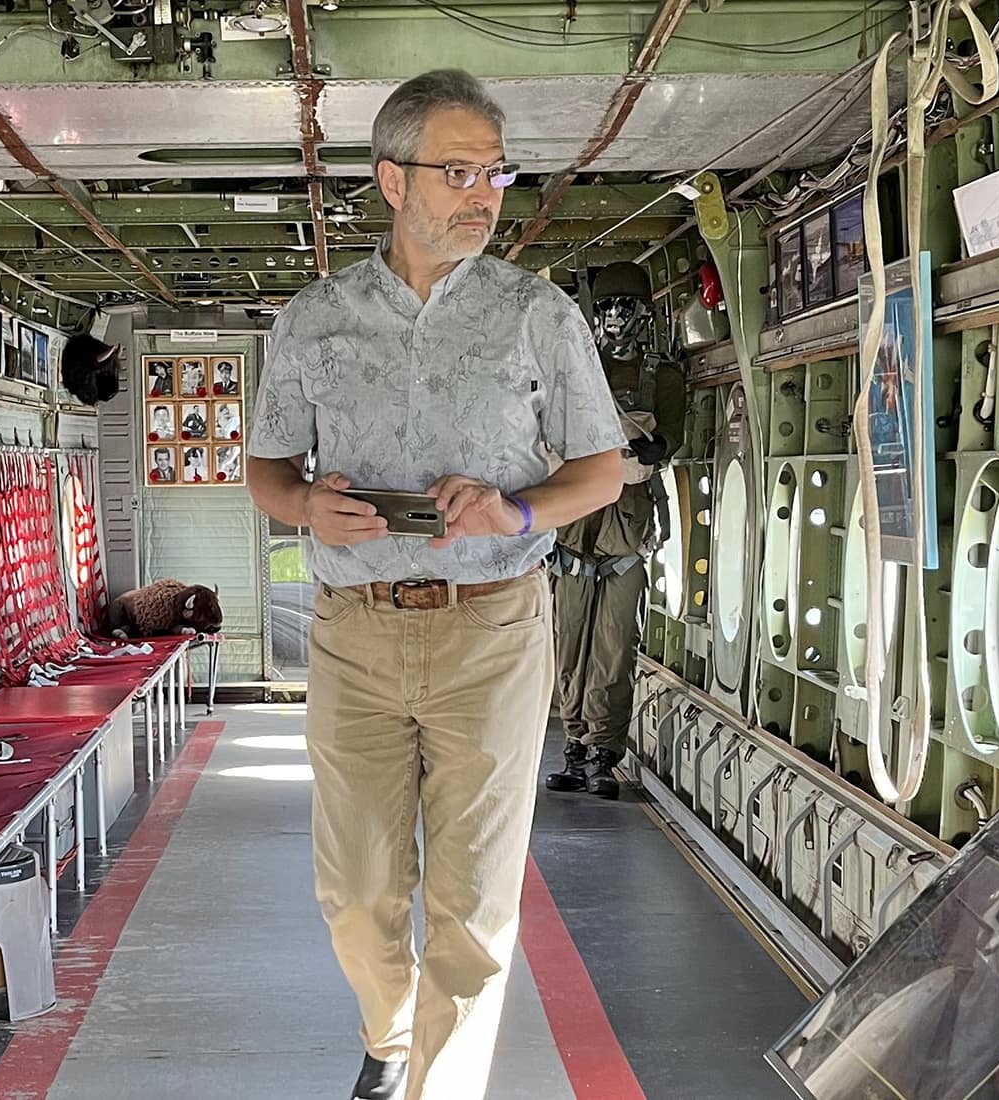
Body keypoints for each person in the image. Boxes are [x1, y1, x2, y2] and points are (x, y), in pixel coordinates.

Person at [245, 69, 624, 1100]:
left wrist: (512, 511)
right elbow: (267, 470)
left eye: (494, 173)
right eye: (456, 170)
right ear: (389, 181)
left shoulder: (534, 314)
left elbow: (600, 467)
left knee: (474, 906)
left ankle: (437, 1085)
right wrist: (303, 509)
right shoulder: (313, 321)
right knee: (355, 891)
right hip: (353, 630)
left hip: (491, 628)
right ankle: (389, 1029)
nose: (482, 193)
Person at [546, 261, 672, 801]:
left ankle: (604, 751)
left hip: (625, 530)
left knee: (614, 649)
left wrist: (657, 450)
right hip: (575, 532)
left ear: (643, 315)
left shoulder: (661, 378)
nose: (615, 318)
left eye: (625, 308)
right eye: (607, 308)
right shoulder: (577, 372)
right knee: (569, 644)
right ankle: (574, 747)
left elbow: (673, 439)